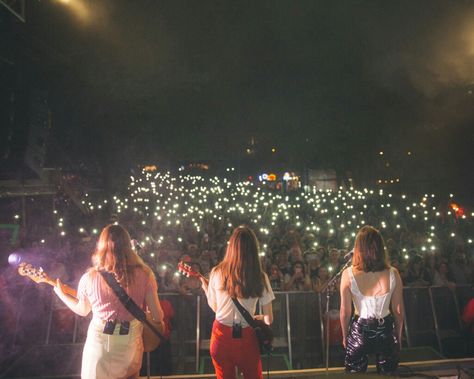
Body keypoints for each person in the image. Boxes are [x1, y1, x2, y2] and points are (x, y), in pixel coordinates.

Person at [53, 224, 165, 379]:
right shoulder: (146, 273)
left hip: (99, 348)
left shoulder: (90, 278)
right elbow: (158, 316)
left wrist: (61, 294)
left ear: (101, 246)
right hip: (131, 346)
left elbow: (83, 310)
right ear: (128, 245)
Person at [200, 226, 275, 379]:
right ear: (254, 250)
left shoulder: (216, 272)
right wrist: (257, 318)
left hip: (220, 336)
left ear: (231, 247)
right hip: (246, 338)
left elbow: (216, 308)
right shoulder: (260, 277)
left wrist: (207, 290)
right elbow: (269, 319)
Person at [340, 225, 404, 374]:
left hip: (360, 330)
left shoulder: (348, 274)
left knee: (355, 373)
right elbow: (398, 311)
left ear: (358, 248)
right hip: (386, 330)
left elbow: (345, 312)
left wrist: (345, 336)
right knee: (389, 373)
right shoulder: (393, 273)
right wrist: (398, 337)